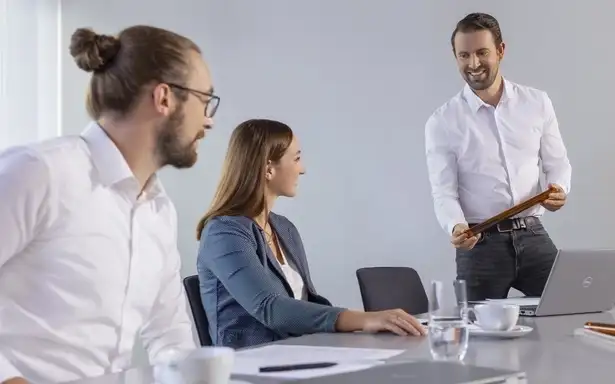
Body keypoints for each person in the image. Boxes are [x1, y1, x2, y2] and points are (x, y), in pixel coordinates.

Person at [0, 25, 218, 384]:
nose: (208, 120)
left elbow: (170, 338)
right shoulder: (41, 173)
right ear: (164, 98)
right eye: (204, 100)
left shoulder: (159, 210)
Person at [196, 119, 426, 349]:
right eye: (296, 158)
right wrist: (365, 319)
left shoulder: (284, 228)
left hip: (301, 355)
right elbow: (271, 308)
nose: (302, 168)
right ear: (268, 169)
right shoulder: (223, 233)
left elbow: (306, 303)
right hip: (250, 367)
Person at [424, 13, 571, 301]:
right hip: (480, 243)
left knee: (567, 309)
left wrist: (560, 188)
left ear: (501, 50)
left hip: (532, 233)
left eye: (482, 52)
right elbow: (443, 192)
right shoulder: (441, 122)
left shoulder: (537, 102)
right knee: (477, 333)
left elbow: (558, 163)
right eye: (464, 55)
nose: (473, 64)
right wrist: (456, 225)